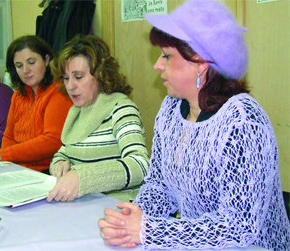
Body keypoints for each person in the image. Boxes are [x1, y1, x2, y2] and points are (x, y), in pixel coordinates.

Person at [98, 0, 290, 250]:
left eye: (167, 56)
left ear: (200, 61)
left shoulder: (243, 122)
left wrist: (150, 230)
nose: (157, 65)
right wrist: (133, 218)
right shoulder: (170, 109)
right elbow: (159, 185)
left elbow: (239, 228)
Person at [46, 35, 149, 202]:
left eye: (78, 77)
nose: (70, 86)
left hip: (118, 206)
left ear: (100, 75)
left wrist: (83, 178)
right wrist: (59, 165)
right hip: (84, 205)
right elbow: (64, 153)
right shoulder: (78, 111)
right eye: (66, 78)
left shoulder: (121, 109)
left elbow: (140, 165)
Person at [0, 35, 72, 172]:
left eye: (31, 62)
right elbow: (8, 136)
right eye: (19, 66)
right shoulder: (18, 95)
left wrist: (2, 155)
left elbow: (52, 141)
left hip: (46, 171)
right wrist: (5, 165)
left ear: (46, 59)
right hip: (17, 169)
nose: (25, 70)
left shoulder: (58, 92)